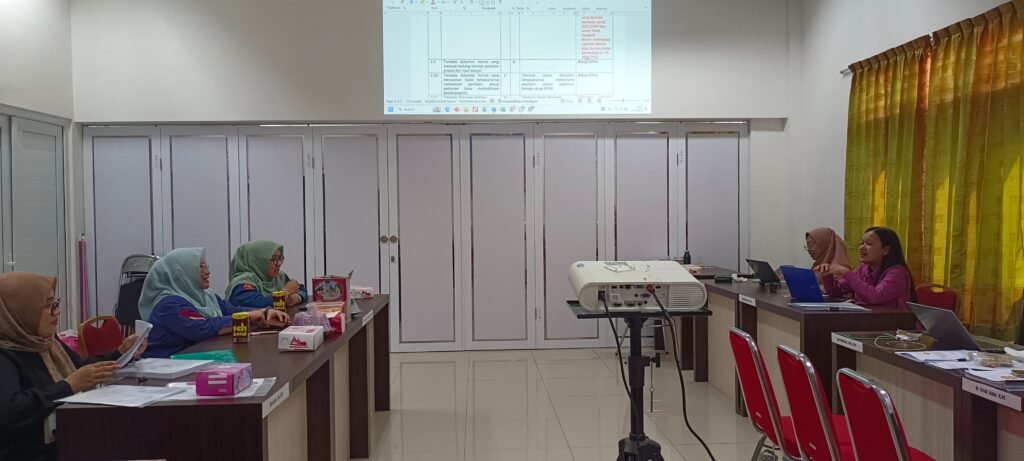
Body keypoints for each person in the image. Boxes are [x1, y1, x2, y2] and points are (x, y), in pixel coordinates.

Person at [0, 272, 146, 461]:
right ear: (21, 311)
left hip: (68, 441)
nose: (57, 312)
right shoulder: (5, 353)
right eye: (48, 306)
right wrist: (68, 386)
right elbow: (11, 412)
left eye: (56, 303)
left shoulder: (47, 342)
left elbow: (81, 368)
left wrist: (121, 352)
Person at [140, 248, 289, 358]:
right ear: (181, 273)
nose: (207, 272)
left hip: (194, 360)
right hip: (167, 368)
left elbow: (230, 309)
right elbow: (202, 328)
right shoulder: (169, 304)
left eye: (206, 266)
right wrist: (249, 317)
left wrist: (264, 312)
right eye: (200, 267)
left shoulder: (206, 295)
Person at [816, 227, 916, 308]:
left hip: (896, 324)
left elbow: (875, 297)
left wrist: (845, 272)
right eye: (862, 243)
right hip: (869, 320)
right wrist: (827, 276)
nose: (862, 247)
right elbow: (836, 292)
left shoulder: (897, 273)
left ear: (885, 250)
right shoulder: (863, 268)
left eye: (869, 244)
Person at [225, 240, 308, 308]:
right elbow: (257, 303)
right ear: (257, 261)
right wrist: (285, 293)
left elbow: (300, 289)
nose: (279, 263)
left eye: (280, 258)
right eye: (274, 259)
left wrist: (297, 298)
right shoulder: (243, 281)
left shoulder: (279, 277)